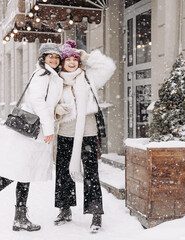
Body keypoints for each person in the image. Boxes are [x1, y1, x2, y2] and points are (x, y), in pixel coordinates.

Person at [0, 43, 63, 232]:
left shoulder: (51, 76)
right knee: (19, 171)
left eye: (56, 56)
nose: (53, 59)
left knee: (23, 172)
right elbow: (37, 101)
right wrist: (48, 126)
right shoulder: (42, 75)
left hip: (33, 130)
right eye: (49, 56)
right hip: (31, 130)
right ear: (42, 58)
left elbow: (47, 102)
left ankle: (14, 215)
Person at [54, 40, 115, 233]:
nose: (72, 62)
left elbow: (108, 66)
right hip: (65, 132)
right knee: (63, 172)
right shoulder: (57, 81)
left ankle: (96, 214)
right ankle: (65, 209)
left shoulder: (89, 77)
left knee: (91, 173)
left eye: (75, 59)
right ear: (62, 62)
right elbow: (48, 102)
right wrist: (56, 108)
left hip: (87, 131)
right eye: (68, 59)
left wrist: (87, 55)